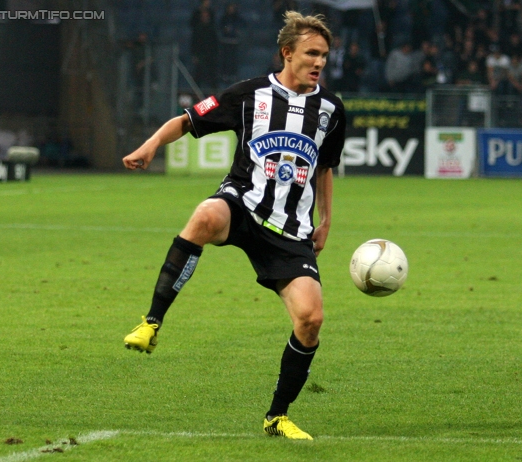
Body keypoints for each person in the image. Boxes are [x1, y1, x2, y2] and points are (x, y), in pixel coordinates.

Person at [122, 11, 346, 441]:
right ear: (287, 53)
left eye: (324, 55)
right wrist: (150, 145)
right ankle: (151, 323)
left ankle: (277, 417)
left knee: (311, 319)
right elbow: (186, 121)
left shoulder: (332, 110)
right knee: (206, 214)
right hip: (241, 205)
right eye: (311, 53)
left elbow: (326, 166)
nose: (319, 62)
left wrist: (327, 220)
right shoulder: (249, 95)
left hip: (291, 230)